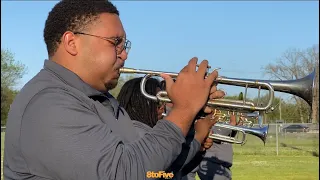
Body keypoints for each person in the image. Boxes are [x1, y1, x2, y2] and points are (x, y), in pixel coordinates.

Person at [3, 1, 225, 180]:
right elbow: (123, 173)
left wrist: (192, 120)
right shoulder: (49, 103)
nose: (124, 54)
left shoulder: (99, 100)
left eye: (124, 45)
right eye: (115, 42)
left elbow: (157, 169)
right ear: (72, 43)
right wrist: (183, 109)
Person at [117, 77, 216, 179]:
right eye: (158, 102)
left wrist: (198, 148)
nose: (162, 107)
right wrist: (199, 136)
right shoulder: (137, 132)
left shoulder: (142, 129)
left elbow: (180, 170)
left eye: (163, 102)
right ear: (139, 103)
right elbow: (169, 168)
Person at [183, 112, 243, 180]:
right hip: (212, 163)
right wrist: (233, 119)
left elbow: (229, 136)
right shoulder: (210, 122)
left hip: (219, 164)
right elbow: (219, 132)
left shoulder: (217, 122)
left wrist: (238, 124)